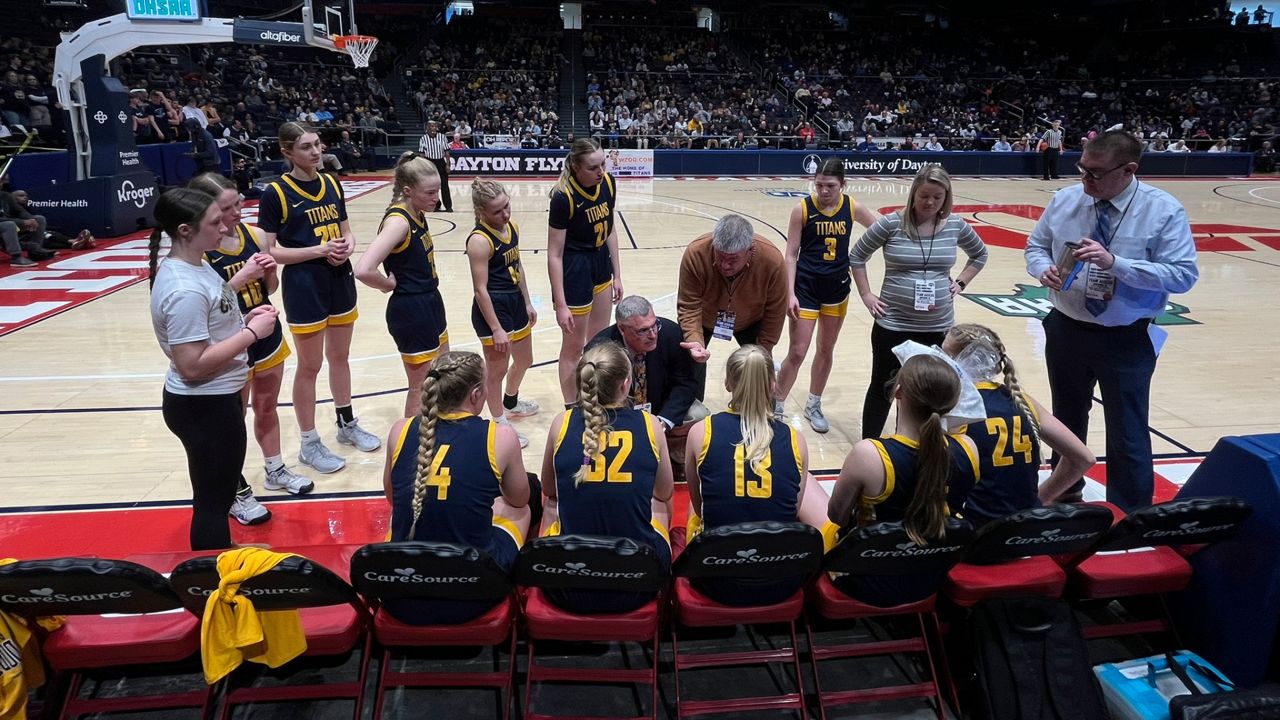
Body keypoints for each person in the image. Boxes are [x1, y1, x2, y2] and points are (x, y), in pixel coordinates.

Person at [1025, 129, 1198, 511]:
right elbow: (1036, 245)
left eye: (1095, 173)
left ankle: (1132, 515)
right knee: (1066, 422)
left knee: (1128, 432)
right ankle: (1063, 500)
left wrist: (1116, 264)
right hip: (1066, 327)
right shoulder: (1067, 200)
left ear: (1128, 170)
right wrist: (1042, 269)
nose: (1085, 178)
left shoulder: (1163, 210)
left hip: (1127, 337)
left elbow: (1183, 275)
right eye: (1082, 168)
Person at [147, 188, 279, 550]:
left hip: (211, 401)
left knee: (215, 496)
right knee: (212, 504)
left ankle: (220, 559)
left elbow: (214, 313)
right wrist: (252, 333)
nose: (224, 228)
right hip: (204, 404)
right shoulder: (183, 287)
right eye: (215, 222)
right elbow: (191, 365)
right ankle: (213, 578)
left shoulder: (195, 263)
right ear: (186, 230)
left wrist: (242, 320)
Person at [191, 173, 315, 523]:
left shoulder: (255, 236)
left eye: (237, 202)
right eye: (226, 207)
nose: (236, 211)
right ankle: (233, 489)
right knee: (233, 420)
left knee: (266, 406)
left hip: (267, 334)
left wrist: (270, 272)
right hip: (231, 343)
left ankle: (275, 469)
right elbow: (206, 305)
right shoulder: (201, 251)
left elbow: (269, 288)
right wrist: (240, 278)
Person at [259, 122, 381, 476]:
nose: (315, 152)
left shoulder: (330, 182)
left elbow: (346, 231)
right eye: (307, 147)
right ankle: (309, 442)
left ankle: (346, 423)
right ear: (287, 152)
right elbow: (269, 252)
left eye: (317, 144)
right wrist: (319, 250)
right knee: (310, 366)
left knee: (340, 357)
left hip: (338, 279)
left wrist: (346, 248)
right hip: (304, 286)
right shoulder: (276, 193)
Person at [382, 351, 532, 624]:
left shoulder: (400, 430)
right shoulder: (501, 436)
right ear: (476, 394)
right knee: (521, 509)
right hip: (472, 594)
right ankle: (522, 587)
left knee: (401, 517)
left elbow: (392, 499)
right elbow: (520, 499)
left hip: (401, 595)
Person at [684, 345, 835, 606]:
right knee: (803, 480)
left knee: (697, 496)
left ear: (728, 383)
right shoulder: (795, 439)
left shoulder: (700, 431)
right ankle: (833, 561)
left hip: (714, 578)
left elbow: (699, 507)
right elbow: (794, 510)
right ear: (772, 384)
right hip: (782, 579)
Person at [827, 354, 979, 606]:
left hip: (866, 580)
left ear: (898, 391)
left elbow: (837, 517)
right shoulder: (968, 449)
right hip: (930, 578)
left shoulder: (870, 455)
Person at [850, 164, 988, 438]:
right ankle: (869, 448)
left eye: (938, 197)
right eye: (925, 195)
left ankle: (912, 445)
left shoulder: (956, 226)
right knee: (883, 387)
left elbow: (980, 254)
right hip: (893, 325)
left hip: (937, 327)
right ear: (914, 193)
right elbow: (857, 256)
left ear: (946, 198)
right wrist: (866, 294)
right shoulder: (890, 223)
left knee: (926, 392)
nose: (930, 202)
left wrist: (960, 282)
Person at [539, 342, 674, 614]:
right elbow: (666, 491)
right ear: (625, 385)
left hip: (565, 585)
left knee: (552, 504)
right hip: (637, 583)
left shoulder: (561, 422)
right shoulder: (650, 425)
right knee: (660, 503)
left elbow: (548, 488)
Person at [942, 324, 1096, 522]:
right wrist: (1042, 498)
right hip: (1026, 523)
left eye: (944, 354)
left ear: (962, 361)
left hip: (974, 529)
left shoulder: (955, 407)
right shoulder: (1022, 400)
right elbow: (1084, 458)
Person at [776, 159, 880, 432]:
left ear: (843, 185)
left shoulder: (852, 207)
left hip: (837, 289)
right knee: (798, 351)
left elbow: (881, 231)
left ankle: (813, 403)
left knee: (826, 348)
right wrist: (789, 293)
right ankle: (776, 406)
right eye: (819, 184)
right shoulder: (802, 209)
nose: (823, 190)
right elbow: (790, 255)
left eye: (830, 186)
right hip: (806, 288)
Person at [354, 152, 446, 416]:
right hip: (411, 308)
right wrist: (385, 285)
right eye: (430, 192)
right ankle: (409, 446)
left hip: (429, 301)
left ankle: (435, 434)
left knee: (440, 377)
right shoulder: (398, 221)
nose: (436, 197)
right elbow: (362, 269)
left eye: (438, 190)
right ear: (408, 190)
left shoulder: (415, 211)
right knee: (421, 386)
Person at [677, 214, 788, 401]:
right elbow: (689, 305)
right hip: (704, 318)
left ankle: (763, 414)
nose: (724, 265)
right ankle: (690, 414)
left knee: (759, 369)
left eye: (732, 260)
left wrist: (765, 346)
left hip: (752, 319)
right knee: (689, 364)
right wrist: (694, 339)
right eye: (719, 257)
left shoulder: (772, 261)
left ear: (749, 249)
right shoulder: (696, 253)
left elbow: (776, 310)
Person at [547, 139, 624, 406]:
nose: (601, 171)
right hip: (575, 269)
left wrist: (618, 274)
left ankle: (594, 399)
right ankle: (571, 408)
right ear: (577, 167)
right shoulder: (563, 197)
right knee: (573, 347)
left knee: (598, 341)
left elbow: (611, 229)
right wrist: (560, 303)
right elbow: (554, 254)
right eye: (593, 167)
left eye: (603, 163)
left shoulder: (609, 183)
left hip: (601, 261)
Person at [466, 178, 539, 448]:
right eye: (497, 211)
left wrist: (528, 302)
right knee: (496, 371)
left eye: (506, 206)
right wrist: (496, 327)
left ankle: (511, 401)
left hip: (515, 302)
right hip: (493, 307)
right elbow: (480, 290)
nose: (505, 214)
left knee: (525, 359)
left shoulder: (512, 227)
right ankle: (498, 423)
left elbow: (517, 267)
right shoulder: (479, 241)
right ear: (482, 212)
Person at [417, 119, 453, 212]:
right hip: (429, 163)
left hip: (440, 162)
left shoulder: (442, 137)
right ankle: (437, 205)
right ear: (427, 128)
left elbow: (447, 152)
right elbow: (422, 154)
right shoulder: (423, 138)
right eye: (432, 126)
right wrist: (423, 166)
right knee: (432, 186)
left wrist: (448, 164)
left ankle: (448, 206)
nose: (434, 128)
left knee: (444, 185)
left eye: (435, 126)